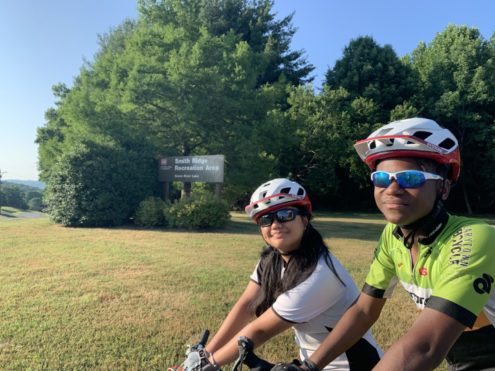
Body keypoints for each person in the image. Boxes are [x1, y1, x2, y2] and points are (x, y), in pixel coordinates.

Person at [275, 117, 495, 371]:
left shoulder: (473, 237)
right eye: (381, 178)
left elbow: (424, 346)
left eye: (410, 178)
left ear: (443, 187)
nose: (392, 189)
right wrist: (310, 366)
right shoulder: (393, 236)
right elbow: (363, 311)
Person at [174, 178, 382, 371]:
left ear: (305, 219)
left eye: (285, 214)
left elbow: (259, 331)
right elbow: (246, 304)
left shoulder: (318, 274)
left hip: (350, 366)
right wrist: (204, 354)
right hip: (309, 363)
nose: (275, 224)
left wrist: (207, 366)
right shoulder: (272, 259)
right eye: (266, 219)